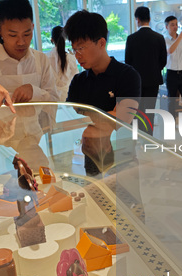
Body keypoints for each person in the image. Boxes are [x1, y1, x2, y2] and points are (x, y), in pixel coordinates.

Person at [64, 10, 141, 176]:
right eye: (74, 49)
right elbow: (73, 121)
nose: (77, 55)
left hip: (122, 154)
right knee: (95, 195)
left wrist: (89, 118)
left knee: (126, 198)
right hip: (89, 150)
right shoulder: (78, 81)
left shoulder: (127, 75)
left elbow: (121, 120)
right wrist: (106, 117)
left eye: (81, 48)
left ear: (101, 43)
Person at [125, 6, 167, 127]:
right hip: (153, 81)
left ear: (137, 20)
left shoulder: (131, 39)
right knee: (149, 112)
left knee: (135, 112)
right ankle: (148, 141)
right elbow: (163, 60)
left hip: (135, 82)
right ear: (149, 18)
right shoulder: (159, 38)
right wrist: (154, 69)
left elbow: (128, 62)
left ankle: (135, 139)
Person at [47, 26, 79, 101]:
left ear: (52, 40)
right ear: (65, 39)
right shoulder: (70, 57)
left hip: (51, 97)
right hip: (68, 96)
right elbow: (76, 76)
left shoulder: (45, 57)